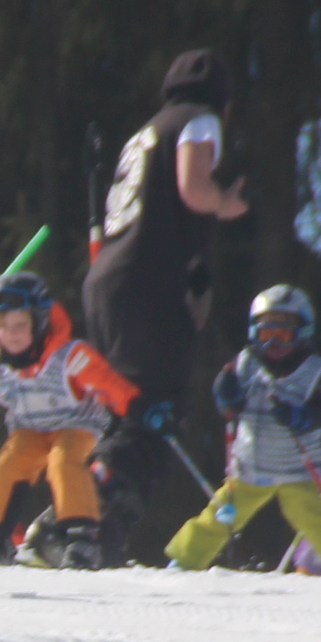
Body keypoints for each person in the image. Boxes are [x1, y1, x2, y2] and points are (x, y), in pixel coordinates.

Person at [85, 51, 250, 558]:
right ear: (222, 102)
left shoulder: (145, 133)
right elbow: (193, 188)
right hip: (147, 284)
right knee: (153, 412)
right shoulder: (199, 120)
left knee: (122, 410)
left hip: (108, 280)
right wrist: (224, 203)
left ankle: (86, 527)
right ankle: (85, 511)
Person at [0, 271, 135, 569]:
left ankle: (82, 539)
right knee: (9, 465)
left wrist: (138, 407)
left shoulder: (68, 356)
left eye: (20, 325)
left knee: (63, 462)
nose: (11, 334)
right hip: (30, 429)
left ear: (40, 322)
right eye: (2, 326)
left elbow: (109, 384)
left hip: (77, 424)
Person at [168, 286, 321, 573]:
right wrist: (227, 395)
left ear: (303, 333)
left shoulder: (316, 369)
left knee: (318, 518)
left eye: (284, 335)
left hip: (298, 469)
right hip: (251, 467)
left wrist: (299, 417)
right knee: (221, 514)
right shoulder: (246, 363)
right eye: (266, 334)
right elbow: (230, 408)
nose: (274, 343)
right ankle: (184, 560)